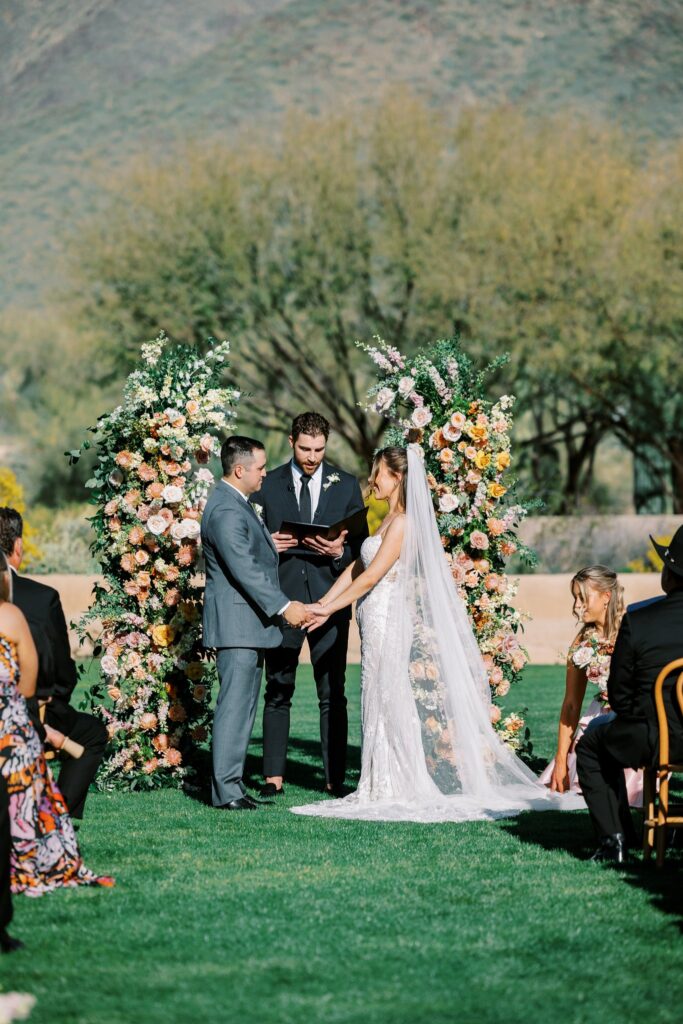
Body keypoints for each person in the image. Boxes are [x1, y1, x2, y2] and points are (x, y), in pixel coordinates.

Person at [292, 445, 584, 822]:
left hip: (386, 619)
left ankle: (398, 783)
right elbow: (353, 568)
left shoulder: (403, 524)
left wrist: (329, 609)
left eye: (376, 472)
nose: (371, 480)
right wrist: (321, 604)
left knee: (388, 696)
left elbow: (372, 576)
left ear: (396, 477)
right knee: (376, 697)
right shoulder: (386, 519)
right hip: (372, 618)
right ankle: (379, 780)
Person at [251, 412, 368, 797]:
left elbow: (361, 550)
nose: (312, 456)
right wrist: (270, 543)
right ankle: (273, 778)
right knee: (278, 687)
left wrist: (338, 551)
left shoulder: (347, 485)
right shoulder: (267, 485)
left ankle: (334, 779)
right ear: (290, 442)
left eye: (319, 449)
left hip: (329, 603)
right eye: (305, 448)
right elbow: (249, 545)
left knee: (333, 692)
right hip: (282, 602)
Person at [201, 436, 309, 811]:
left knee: (243, 705)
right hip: (237, 625)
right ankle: (226, 791)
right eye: (261, 468)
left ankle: (231, 784)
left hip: (245, 625)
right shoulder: (227, 510)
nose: (265, 473)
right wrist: (283, 606)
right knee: (235, 706)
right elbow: (243, 568)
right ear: (239, 469)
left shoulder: (235, 503)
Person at [0, 550, 113, 895]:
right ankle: (50, 823)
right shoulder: (14, 613)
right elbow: (33, 684)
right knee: (89, 734)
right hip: (18, 725)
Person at [576, 527, 683, 864]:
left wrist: (652, 719)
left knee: (591, 744)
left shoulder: (640, 619)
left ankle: (616, 842)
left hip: (653, 737)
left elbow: (619, 697)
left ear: (669, 574)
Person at [0, 507, 108, 820]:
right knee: (92, 734)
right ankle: (55, 820)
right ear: (17, 547)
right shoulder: (40, 598)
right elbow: (62, 673)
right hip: (29, 717)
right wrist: (47, 711)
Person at [540, 566, 642, 806]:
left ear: (606, 596)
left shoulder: (636, 629)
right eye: (575, 598)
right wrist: (561, 760)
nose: (577, 605)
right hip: (598, 721)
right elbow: (571, 705)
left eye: (583, 597)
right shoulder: (581, 642)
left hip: (634, 720)